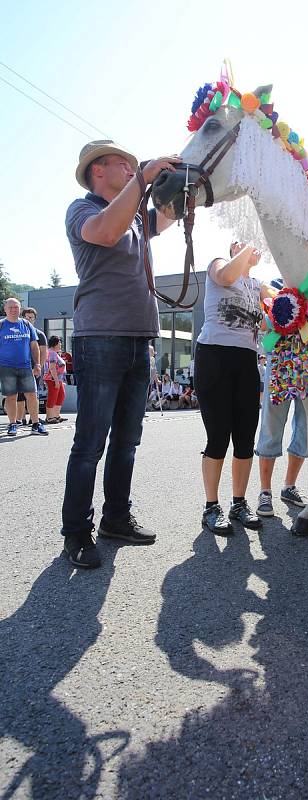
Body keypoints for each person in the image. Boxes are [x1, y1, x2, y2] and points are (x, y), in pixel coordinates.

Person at [61, 139, 181, 569]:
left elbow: (165, 218)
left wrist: (178, 184)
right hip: (100, 339)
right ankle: (76, 531)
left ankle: (115, 519)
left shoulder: (133, 217)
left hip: (137, 339)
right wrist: (145, 179)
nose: (131, 170)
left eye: (134, 167)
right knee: (90, 442)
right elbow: (105, 232)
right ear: (97, 170)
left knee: (127, 441)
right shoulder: (84, 209)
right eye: (122, 165)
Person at [194, 241, 271, 534]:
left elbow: (272, 316)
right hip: (214, 356)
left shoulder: (256, 284)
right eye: (244, 242)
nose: (252, 247)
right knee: (218, 436)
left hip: (246, 360)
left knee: (245, 436)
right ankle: (211, 507)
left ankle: (239, 503)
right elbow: (226, 276)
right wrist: (246, 247)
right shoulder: (218, 264)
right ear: (233, 248)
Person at [255, 353, 308, 517]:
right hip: (280, 355)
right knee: (271, 425)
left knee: (305, 429)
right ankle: (265, 492)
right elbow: (263, 325)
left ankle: (289, 487)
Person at [0, 298, 48, 436]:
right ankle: (13, 424)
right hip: (6, 367)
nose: (14, 310)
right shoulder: (2, 325)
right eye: (11, 307)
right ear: (5, 309)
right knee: (11, 396)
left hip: (26, 367)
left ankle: (36, 424)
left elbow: (34, 346)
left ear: (20, 309)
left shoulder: (27, 324)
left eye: (16, 307)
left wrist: (38, 364)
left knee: (32, 395)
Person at [17, 307, 48, 425]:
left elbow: (43, 353)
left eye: (31, 317)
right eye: (26, 317)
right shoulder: (18, 333)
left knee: (32, 394)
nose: (28, 319)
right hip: (19, 368)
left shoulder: (39, 334)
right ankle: (21, 418)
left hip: (34, 369)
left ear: (35, 319)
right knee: (19, 394)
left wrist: (38, 367)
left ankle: (33, 418)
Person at [44, 335, 67, 423]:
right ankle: (49, 417)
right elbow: (52, 367)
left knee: (61, 395)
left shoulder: (53, 352)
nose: (60, 344)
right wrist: (56, 380)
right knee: (52, 396)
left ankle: (56, 415)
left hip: (58, 378)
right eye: (59, 343)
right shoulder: (52, 353)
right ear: (55, 344)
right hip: (53, 378)